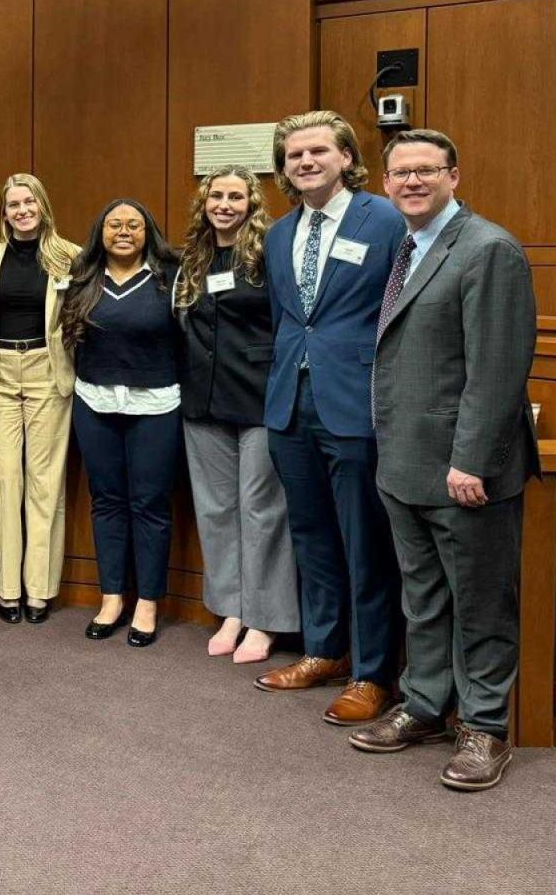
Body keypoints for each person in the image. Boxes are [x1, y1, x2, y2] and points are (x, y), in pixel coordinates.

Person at [349, 129, 539, 792]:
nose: (411, 182)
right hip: (403, 463)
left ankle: (484, 726)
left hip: (465, 472)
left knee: (482, 605)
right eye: (400, 172)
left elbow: (497, 370)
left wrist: (473, 463)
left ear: (454, 176)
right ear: (385, 182)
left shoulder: (489, 250)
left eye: (426, 170)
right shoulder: (405, 246)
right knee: (423, 599)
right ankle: (426, 706)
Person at [254, 111, 407, 727]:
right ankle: (325, 649)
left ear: (347, 156)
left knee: (364, 540)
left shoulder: (387, 220)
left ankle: (374, 672)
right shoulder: (277, 233)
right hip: (290, 403)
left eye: (318, 151)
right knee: (311, 538)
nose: (306, 162)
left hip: (357, 401)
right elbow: (287, 318)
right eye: (294, 156)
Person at [174, 167, 299, 662]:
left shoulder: (271, 253)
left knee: (262, 511)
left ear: (252, 202)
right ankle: (231, 610)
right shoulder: (194, 256)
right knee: (217, 511)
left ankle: (265, 620)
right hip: (203, 402)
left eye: (235, 196)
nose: (224, 204)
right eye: (216, 195)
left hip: (259, 399)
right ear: (203, 201)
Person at [63, 199, 182, 648]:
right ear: (101, 232)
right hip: (94, 402)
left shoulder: (170, 279)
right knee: (107, 500)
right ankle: (111, 597)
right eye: (115, 224)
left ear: (148, 231)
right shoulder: (82, 279)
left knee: (149, 504)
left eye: (134, 224)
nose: (124, 231)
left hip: (155, 405)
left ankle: (148, 602)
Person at [0, 173, 81, 624]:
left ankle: (39, 590)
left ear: (43, 206)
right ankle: (7, 589)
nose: (21, 211)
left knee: (44, 483)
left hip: (45, 371)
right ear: (3, 212)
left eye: (29, 203)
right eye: (13, 204)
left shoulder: (68, 255)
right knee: (3, 481)